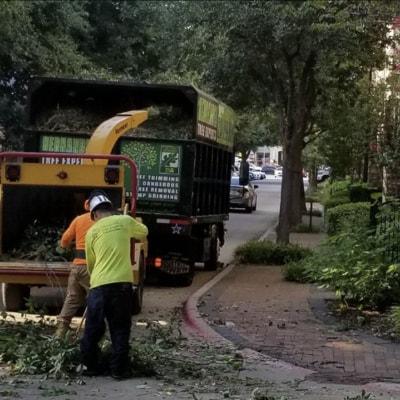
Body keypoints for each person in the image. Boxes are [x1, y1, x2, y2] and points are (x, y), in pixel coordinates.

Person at [80, 190, 148, 380]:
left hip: (99, 286)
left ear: (94, 215)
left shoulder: (91, 232)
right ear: (111, 209)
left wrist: (96, 284)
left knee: (93, 329)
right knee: (120, 328)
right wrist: (131, 223)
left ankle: (90, 366)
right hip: (121, 286)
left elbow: (90, 263)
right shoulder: (124, 222)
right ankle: (119, 370)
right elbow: (144, 233)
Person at [55, 199, 94, 337]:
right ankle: (92, 335)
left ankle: (59, 334)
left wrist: (67, 246)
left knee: (72, 298)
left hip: (77, 267)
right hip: (91, 268)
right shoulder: (102, 222)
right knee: (95, 299)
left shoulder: (78, 220)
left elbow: (64, 241)